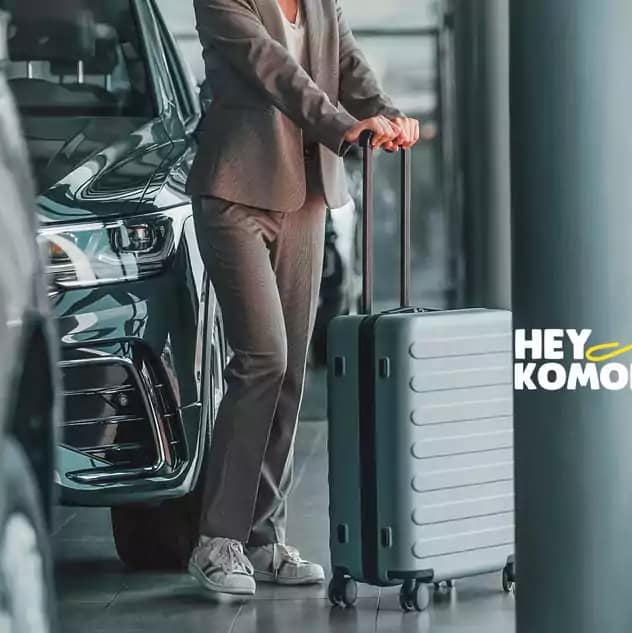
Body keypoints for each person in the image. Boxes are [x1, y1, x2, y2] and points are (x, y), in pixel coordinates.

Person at [187, 0, 420, 597]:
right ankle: (219, 540)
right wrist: (347, 127)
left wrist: (387, 115)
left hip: (307, 197)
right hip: (236, 189)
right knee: (262, 355)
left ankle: (263, 539)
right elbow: (272, 69)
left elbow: (348, 65)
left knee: (291, 367)